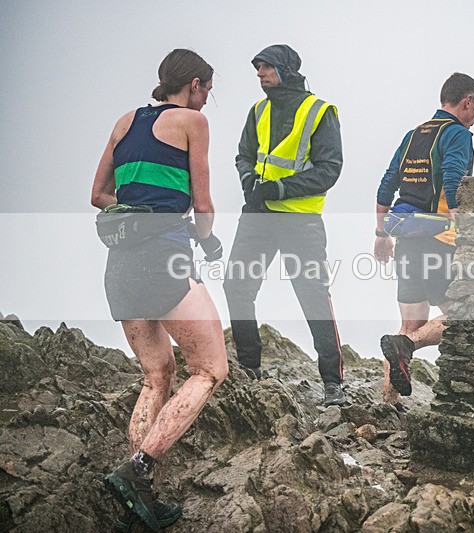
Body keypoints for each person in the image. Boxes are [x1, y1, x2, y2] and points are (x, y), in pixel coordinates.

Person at [91, 48, 229, 530]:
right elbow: (204, 202)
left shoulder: (125, 122)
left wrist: (137, 205)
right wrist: (207, 242)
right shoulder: (192, 122)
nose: (208, 99)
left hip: (120, 265)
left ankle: (138, 501)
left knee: (157, 375)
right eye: (208, 88)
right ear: (193, 84)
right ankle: (139, 470)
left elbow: (98, 195)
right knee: (211, 368)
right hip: (164, 260)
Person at [223, 44, 346, 407]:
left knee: (312, 297)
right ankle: (249, 369)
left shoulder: (320, 111)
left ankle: (332, 383)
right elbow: (244, 155)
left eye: (266, 67)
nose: (260, 74)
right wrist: (248, 181)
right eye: (257, 67)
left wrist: (280, 188)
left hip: (300, 221)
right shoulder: (258, 110)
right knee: (236, 287)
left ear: (287, 69)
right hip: (258, 216)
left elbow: (329, 169)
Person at [374, 73, 474, 406]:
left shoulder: (413, 135)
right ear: (466, 101)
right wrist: (462, 228)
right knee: (465, 318)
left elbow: (386, 186)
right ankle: (407, 348)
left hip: (406, 238)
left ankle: (387, 405)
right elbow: (453, 181)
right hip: (441, 240)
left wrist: (381, 235)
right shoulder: (458, 135)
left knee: (409, 324)